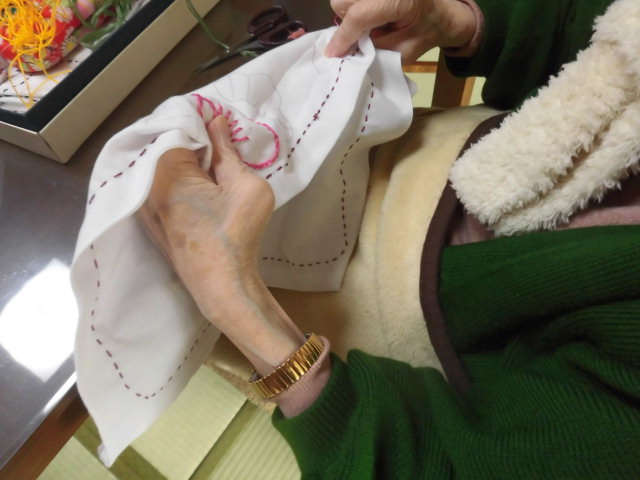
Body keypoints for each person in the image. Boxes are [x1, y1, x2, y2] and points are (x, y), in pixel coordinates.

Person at [138, 0, 640, 477]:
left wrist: (242, 308)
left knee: (145, 270)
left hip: (369, 318)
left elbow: (438, 466)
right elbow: (609, 34)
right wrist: (458, 21)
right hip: (450, 149)